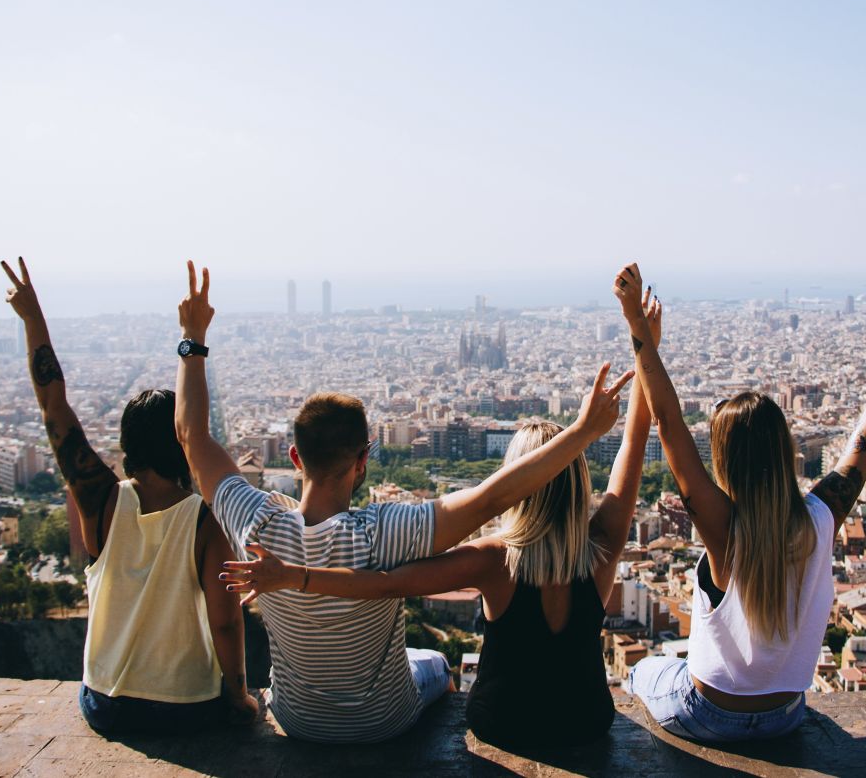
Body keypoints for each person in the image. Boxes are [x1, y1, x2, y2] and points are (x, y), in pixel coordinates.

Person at [174, 260, 633, 743]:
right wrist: (582, 433)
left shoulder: (255, 524)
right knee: (434, 662)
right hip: (385, 722)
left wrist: (192, 338)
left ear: (294, 457)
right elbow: (492, 499)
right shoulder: (387, 532)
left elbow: (191, 436)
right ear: (363, 460)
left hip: (298, 721)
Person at [614, 261, 866, 743]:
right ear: (782, 450)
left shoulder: (723, 529)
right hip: (786, 716)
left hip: (709, 715)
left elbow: (668, 424)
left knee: (643, 670)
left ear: (725, 459)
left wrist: (638, 325)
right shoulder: (821, 517)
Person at [1, 257, 256, 736]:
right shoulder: (205, 522)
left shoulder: (100, 501)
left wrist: (32, 318)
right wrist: (238, 696)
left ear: (127, 444)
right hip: (186, 707)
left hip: (106, 703)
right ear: (181, 445)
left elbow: (53, 406)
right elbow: (225, 623)